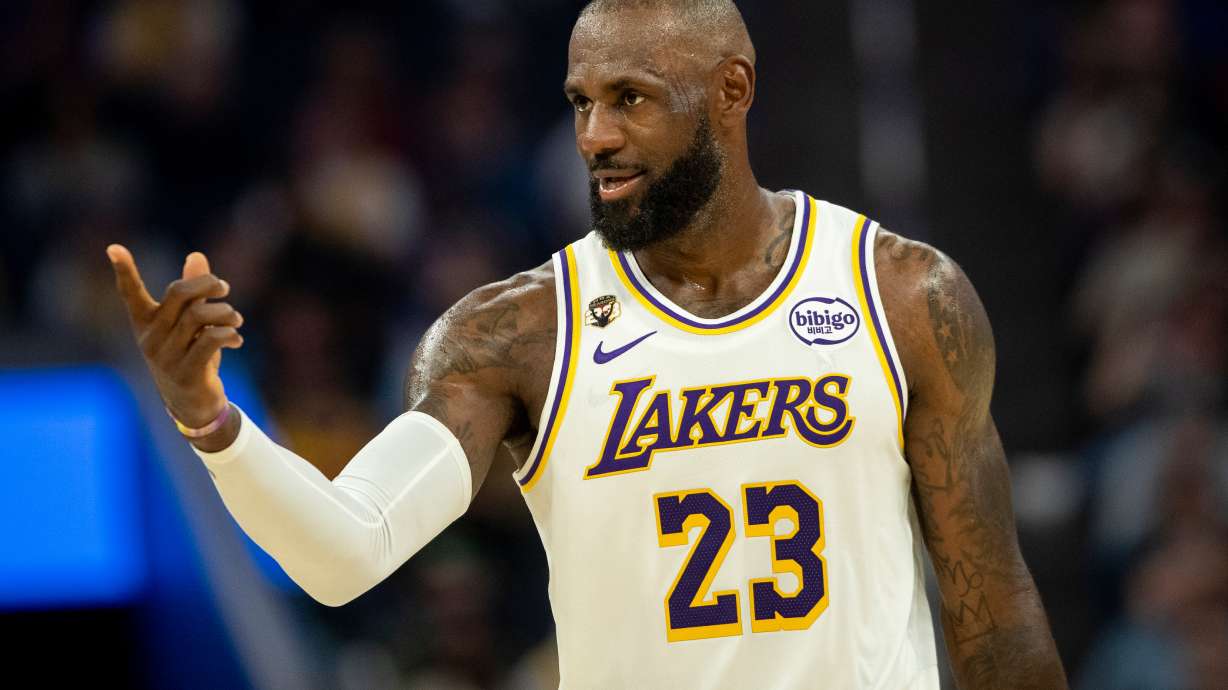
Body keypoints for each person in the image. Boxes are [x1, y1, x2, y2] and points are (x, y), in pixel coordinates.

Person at [107, 1, 1067, 687]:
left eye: (631, 98)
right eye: (580, 102)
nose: (595, 134)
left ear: (731, 91)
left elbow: (993, 615)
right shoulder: (515, 331)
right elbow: (345, 555)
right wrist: (212, 422)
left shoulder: (900, 295)